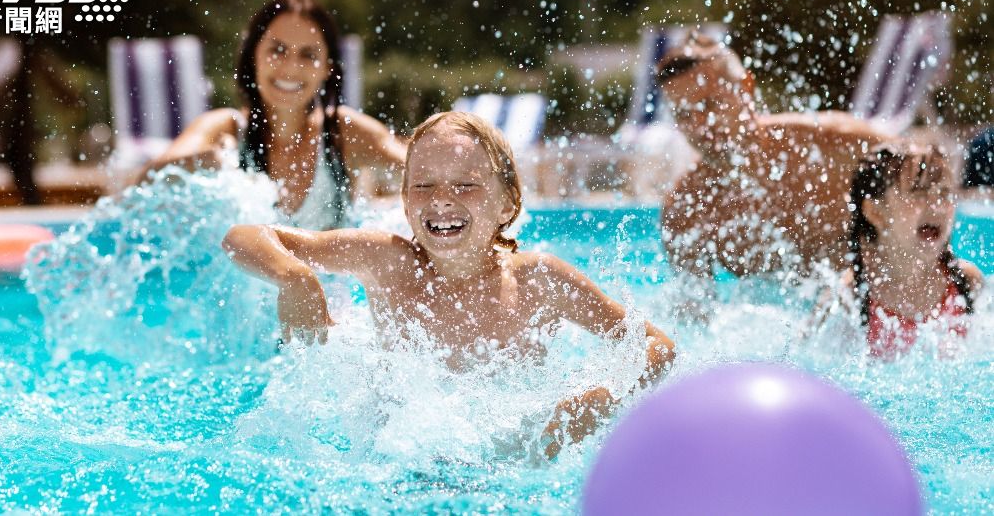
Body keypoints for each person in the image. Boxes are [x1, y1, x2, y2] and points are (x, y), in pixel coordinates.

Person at [221, 111, 676, 457]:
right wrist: (294, 277)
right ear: (403, 199)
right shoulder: (388, 263)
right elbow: (244, 236)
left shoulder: (540, 281)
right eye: (423, 185)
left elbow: (656, 345)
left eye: (466, 185)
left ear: (507, 203)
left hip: (514, 465)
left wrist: (600, 403)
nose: (441, 199)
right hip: (398, 463)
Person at [145, 0, 405, 229]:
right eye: (277, 50)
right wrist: (207, 161)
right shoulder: (225, 129)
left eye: (308, 55)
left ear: (328, 67)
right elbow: (145, 181)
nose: (290, 68)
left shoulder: (343, 133)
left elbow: (423, 166)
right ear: (253, 55)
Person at [657, 33, 889, 279]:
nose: (699, 125)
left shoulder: (832, 144)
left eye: (710, 104)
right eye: (683, 115)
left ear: (746, 87)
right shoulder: (687, 211)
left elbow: (926, 172)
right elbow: (692, 314)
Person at [815, 144, 984, 359]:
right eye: (919, 191)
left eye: (944, 192)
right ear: (875, 212)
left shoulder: (966, 283)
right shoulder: (850, 297)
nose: (937, 204)